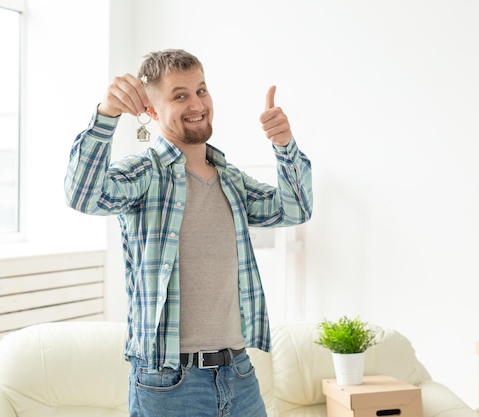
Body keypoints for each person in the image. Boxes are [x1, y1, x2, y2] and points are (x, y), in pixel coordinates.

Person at [64, 49, 313, 417]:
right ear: (151, 109)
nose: (197, 103)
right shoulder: (144, 173)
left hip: (239, 374)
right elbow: (83, 195)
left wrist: (284, 145)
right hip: (168, 383)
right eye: (179, 95)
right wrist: (106, 115)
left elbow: (295, 209)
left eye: (201, 90)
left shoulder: (231, 180)